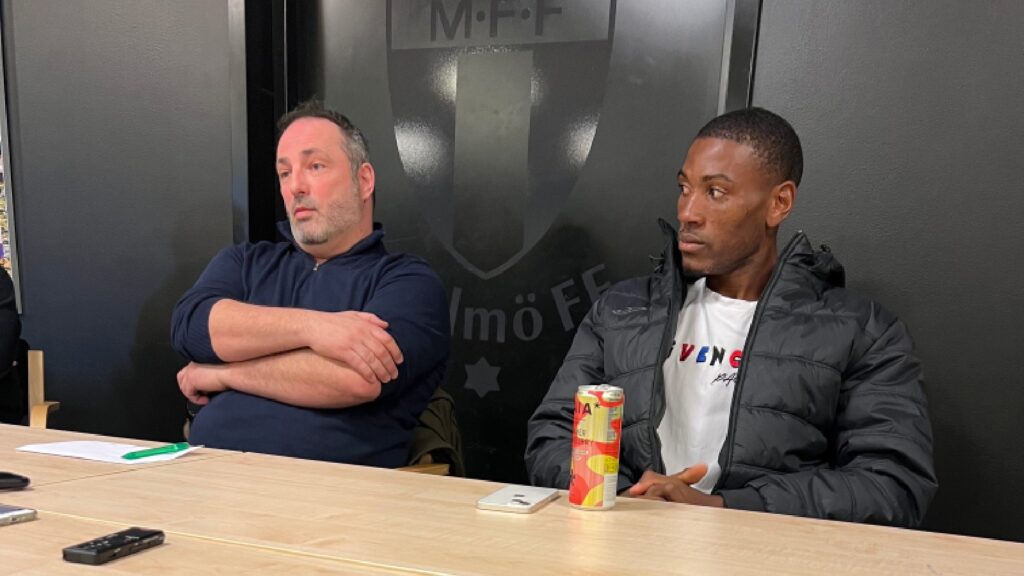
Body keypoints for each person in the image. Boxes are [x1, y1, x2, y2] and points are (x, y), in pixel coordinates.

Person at [525, 107, 936, 527]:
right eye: (684, 188)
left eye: (715, 192)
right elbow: (553, 434)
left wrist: (726, 507)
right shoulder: (622, 310)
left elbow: (892, 486)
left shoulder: (861, 331)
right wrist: (629, 499)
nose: (687, 212)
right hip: (625, 542)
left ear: (779, 203)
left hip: (762, 555)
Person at [171, 102, 449, 467]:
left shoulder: (408, 282)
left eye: (315, 166)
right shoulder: (245, 262)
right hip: (206, 478)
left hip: (332, 492)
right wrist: (315, 328)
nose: (296, 187)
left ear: (364, 181)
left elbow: (357, 378)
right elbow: (191, 326)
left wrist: (222, 374)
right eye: (284, 173)